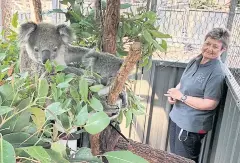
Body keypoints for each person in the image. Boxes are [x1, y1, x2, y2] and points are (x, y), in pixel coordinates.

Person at [164, 28, 230, 162]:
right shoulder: (196, 60)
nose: (209, 48)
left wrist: (181, 97)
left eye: (215, 46)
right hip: (177, 117)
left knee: (184, 160)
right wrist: (174, 93)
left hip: (191, 127)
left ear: (223, 50)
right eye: (208, 43)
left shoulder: (216, 72)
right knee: (174, 158)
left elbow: (210, 103)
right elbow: (183, 83)